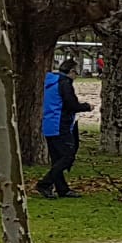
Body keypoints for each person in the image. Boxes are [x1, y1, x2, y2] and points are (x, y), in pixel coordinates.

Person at [36, 58, 92, 199]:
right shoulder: (65, 83)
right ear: (72, 71)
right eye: (76, 73)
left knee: (57, 159)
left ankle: (62, 189)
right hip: (60, 125)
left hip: (49, 124)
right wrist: (87, 106)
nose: (76, 76)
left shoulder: (50, 82)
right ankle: (44, 183)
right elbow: (71, 105)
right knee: (68, 156)